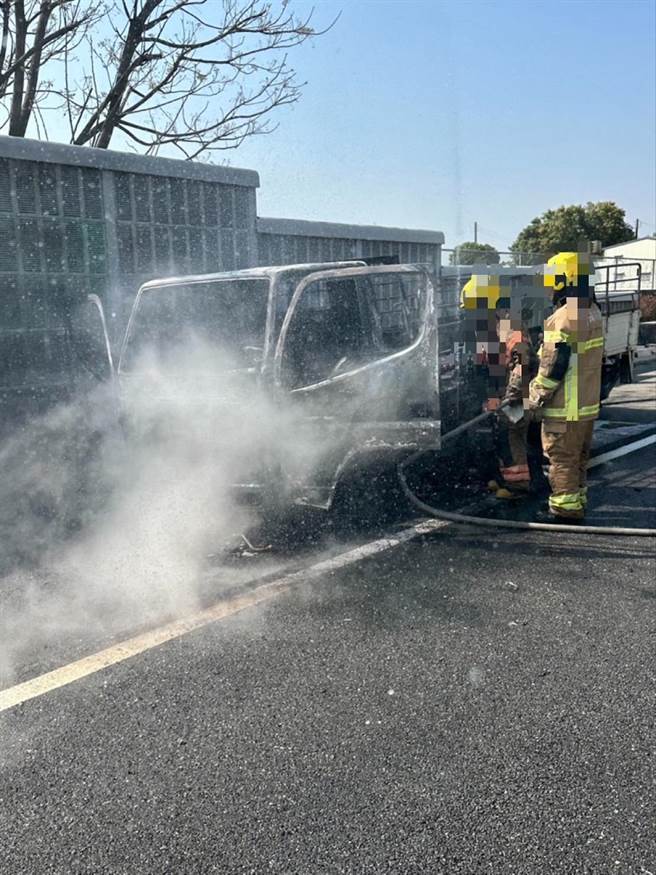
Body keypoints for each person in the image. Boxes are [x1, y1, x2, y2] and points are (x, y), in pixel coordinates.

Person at [528, 251, 604, 520]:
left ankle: (564, 509)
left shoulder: (562, 317)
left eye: (553, 279)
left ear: (567, 279)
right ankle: (576, 500)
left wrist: (535, 397)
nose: (549, 287)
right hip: (586, 406)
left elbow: (553, 366)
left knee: (561, 458)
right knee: (578, 458)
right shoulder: (592, 312)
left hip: (564, 407)